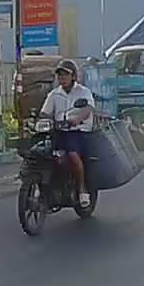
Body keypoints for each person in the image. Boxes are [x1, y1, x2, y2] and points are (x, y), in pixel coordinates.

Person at [39, 59, 96, 208]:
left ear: (73, 76)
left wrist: (77, 119)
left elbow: (88, 109)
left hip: (78, 132)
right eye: (60, 75)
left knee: (72, 154)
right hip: (59, 131)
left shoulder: (83, 92)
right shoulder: (54, 94)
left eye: (66, 74)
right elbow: (44, 112)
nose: (62, 78)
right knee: (41, 152)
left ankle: (82, 189)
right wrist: (44, 119)